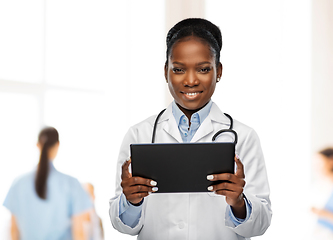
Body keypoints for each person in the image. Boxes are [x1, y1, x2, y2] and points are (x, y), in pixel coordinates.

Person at [109, 18, 272, 240]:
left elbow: (260, 225)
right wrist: (131, 200)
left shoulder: (244, 137)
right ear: (166, 71)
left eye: (203, 69)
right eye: (178, 69)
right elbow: (124, 226)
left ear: (219, 71)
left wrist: (238, 201)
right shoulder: (140, 134)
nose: (191, 80)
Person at [3, 127, 92, 240]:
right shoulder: (71, 184)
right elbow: (79, 233)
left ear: (37, 145)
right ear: (57, 145)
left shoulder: (18, 184)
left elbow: (13, 231)